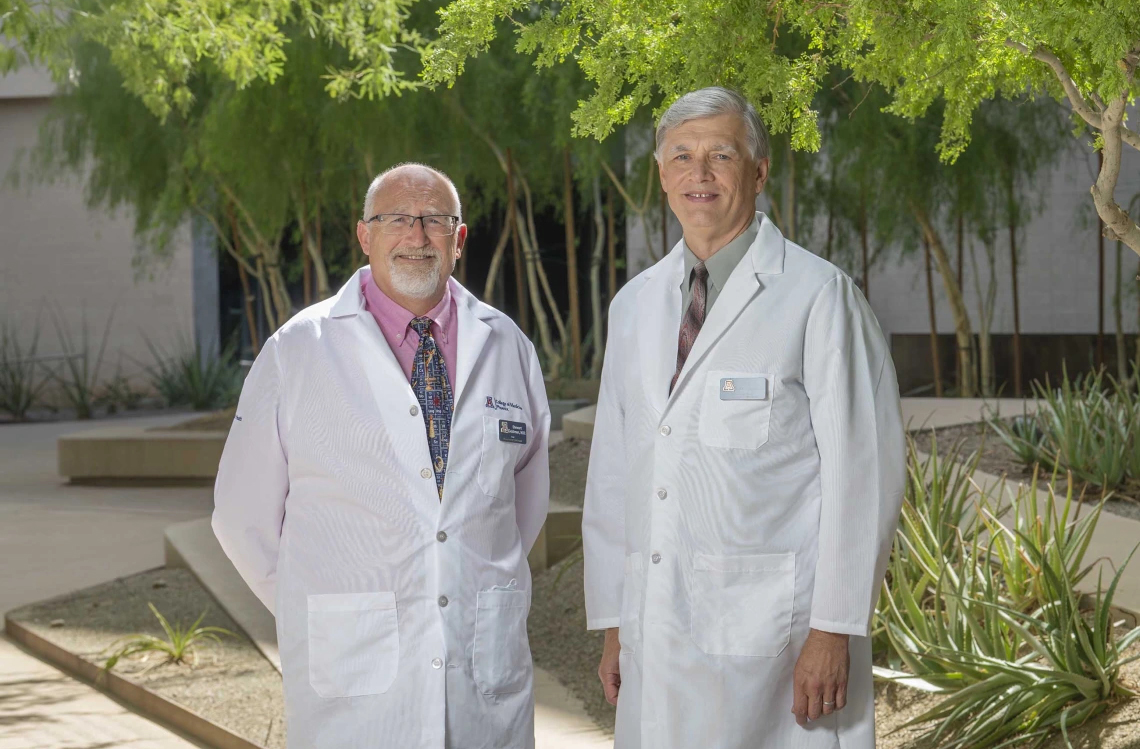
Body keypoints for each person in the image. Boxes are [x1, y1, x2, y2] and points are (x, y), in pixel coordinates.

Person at [582, 87, 906, 748]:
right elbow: (615, 474)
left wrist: (834, 627)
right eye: (682, 157)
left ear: (758, 173)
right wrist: (615, 618)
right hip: (656, 629)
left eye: (720, 156)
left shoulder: (818, 297)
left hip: (775, 642)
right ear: (662, 174)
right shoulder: (633, 305)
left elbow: (862, 474)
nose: (699, 174)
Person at [213, 163, 550, 749]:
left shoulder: (507, 345)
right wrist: (319, 607)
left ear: (460, 238)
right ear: (365, 236)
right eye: (397, 218)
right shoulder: (298, 350)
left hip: (482, 669)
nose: (417, 236)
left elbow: (525, 505)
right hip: (354, 682)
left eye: (435, 221)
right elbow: (242, 519)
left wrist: (462, 582)